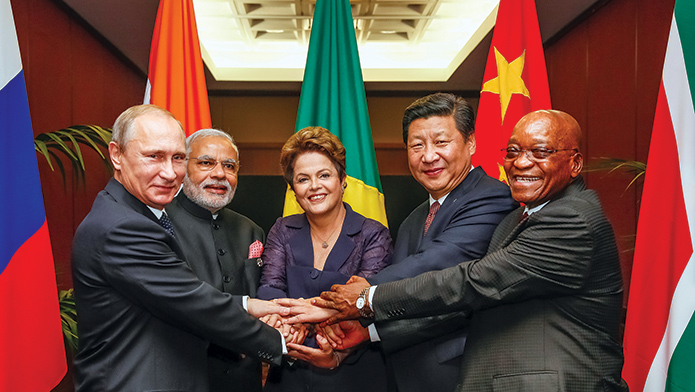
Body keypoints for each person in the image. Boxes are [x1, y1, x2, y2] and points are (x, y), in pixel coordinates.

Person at [289, 110, 628, 392]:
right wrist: (368, 331)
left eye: (540, 152)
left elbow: (474, 282)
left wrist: (365, 301)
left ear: (576, 163)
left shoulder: (571, 219)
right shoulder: (514, 219)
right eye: (512, 151)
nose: (523, 163)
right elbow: (468, 303)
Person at [71, 104, 289, 392]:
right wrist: (282, 342)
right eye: (154, 157)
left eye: (177, 158)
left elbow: (179, 296)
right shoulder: (123, 226)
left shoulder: (132, 212)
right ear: (116, 155)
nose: (170, 172)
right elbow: (193, 302)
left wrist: (251, 304)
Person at [330, 92, 518, 392]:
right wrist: (369, 333)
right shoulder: (413, 220)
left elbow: (437, 266)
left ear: (470, 142)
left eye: (441, 142)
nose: (428, 156)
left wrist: (361, 293)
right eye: (417, 145)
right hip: (405, 376)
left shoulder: (492, 197)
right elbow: (414, 302)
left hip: (462, 376)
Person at [257, 126, 393, 392]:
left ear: (342, 180)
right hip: (289, 373)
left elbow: (367, 301)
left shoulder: (373, 234)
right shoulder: (282, 229)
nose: (314, 186)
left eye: (324, 175)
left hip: (355, 372)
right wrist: (294, 323)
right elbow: (269, 288)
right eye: (303, 179)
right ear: (293, 189)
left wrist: (298, 316)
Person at [166, 128, 266, 392]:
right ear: (183, 166)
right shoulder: (159, 226)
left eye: (229, 166)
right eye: (206, 163)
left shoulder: (252, 231)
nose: (220, 174)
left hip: (244, 380)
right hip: (185, 374)